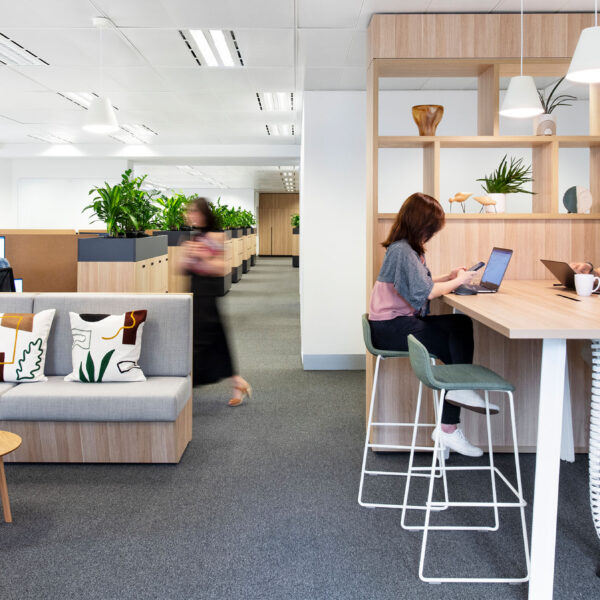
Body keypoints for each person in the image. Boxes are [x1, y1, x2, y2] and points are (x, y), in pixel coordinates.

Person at [368, 192, 500, 457]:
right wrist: (460, 280)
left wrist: (449, 276)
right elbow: (424, 293)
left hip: (394, 324)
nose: (432, 235)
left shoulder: (404, 249)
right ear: (421, 225)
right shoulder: (402, 250)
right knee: (455, 337)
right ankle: (451, 420)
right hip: (389, 329)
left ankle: (453, 412)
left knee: (460, 325)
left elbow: (419, 285)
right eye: (432, 229)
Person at [181, 196, 251, 407]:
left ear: (203, 214)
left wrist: (202, 257)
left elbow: (222, 268)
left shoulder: (215, 236)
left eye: (194, 211)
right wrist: (187, 255)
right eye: (189, 212)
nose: (190, 215)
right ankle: (238, 382)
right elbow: (183, 267)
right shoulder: (192, 237)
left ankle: (187, 388)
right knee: (216, 339)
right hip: (194, 292)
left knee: (202, 341)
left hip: (207, 294)